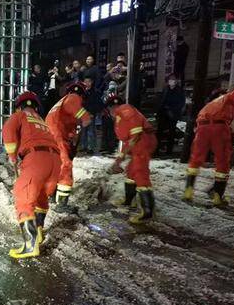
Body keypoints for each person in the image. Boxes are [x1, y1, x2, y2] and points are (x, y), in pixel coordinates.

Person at [3, 91, 61, 259]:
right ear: (36, 106)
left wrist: (12, 156)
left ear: (19, 106)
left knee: (23, 195)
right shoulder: (42, 122)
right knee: (41, 196)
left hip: (36, 158)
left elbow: (8, 130)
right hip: (55, 161)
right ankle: (39, 232)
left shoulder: (20, 115)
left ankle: (30, 245)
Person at [106, 94, 157, 224]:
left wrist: (120, 159)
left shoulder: (124, 110)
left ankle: (147, 211)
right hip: (139, 142)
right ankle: (130, 200)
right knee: (130, 171)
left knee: (140, 173)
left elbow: (135, 136)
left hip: (143, 142)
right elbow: (129, 140)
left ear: (112, 107)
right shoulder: (120, 117)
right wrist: (120, 158)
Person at [46, 82, 92, 213]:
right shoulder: (73, 97)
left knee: (54, 166)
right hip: (57, 137)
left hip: (49, 136)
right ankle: (62, 204)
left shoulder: (61, 104)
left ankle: (51, 195)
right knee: (65, 166)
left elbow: (70, 127)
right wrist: (86, 119)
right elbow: (84, 118)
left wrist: (72, 138)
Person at [157, 74, 186, 154]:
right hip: (164, 113)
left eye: (173, 79)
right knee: (160, 131)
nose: (172, 81)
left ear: (176, 81)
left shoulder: (179, 90)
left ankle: (169, 150)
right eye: (170, 79)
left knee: (171, 132)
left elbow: (180, 103)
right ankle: (157, 149)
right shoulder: (166, 89)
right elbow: (162, 101)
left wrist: (173, 111)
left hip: (173, 114)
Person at [79, 77, 103, 154]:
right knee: (83, 131)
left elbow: (97, 104)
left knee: (91, 131)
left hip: (91, 114)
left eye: (88, 81)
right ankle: (83, 146)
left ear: (91, 82)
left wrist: (92, 113)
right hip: (83, 114)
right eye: (85, 81)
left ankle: (91, 148)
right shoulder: (81, 92)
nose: (87, 83)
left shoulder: (95, 92)